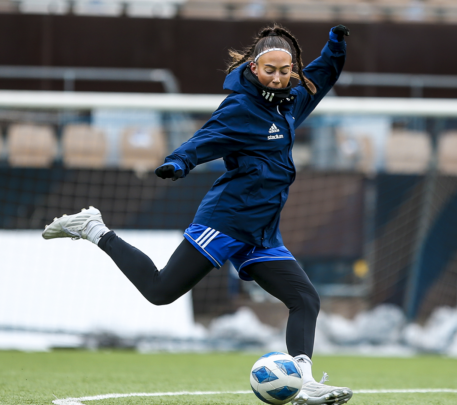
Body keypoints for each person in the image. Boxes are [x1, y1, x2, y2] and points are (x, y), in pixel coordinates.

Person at [42, 24, 353, 405]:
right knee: (160, 291)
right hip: (226, 221)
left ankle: (304, 382)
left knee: (305, 299)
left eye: (284, 71)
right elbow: (205, 138)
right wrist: (178, 161)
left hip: (261, 232)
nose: (277, 77)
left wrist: (335, 46)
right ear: (254, 68)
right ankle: (93, 227)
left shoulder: (292, 100)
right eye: (269, 70)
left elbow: (322, 76)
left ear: (292, 69)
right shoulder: (240, 108)